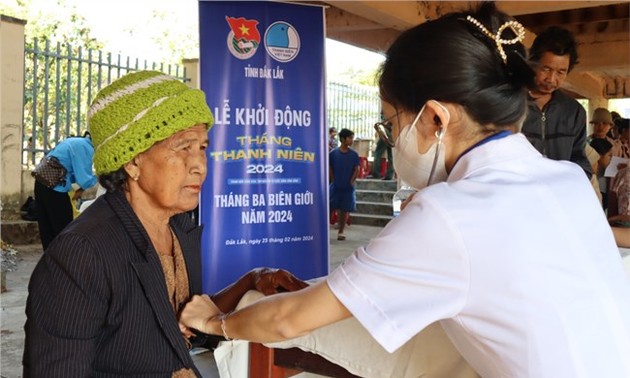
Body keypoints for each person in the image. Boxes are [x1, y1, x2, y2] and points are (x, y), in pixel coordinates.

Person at [180, 3, 630, 377]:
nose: (393, 138)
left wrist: (215, 322)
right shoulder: (568, 181)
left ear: (435, 119)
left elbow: (287, 318)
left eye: (392, 122)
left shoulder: (448, 212)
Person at [23, 70, 306, 377]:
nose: (199, 165)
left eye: (202, 147)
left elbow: (185, 325)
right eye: (183, 147)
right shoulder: (81, 254)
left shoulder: (179, 227)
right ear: (132, 161)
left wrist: (251, 280)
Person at [521, 26, 592, 178]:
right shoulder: (511, 104)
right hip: (519, 195)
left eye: (561, 72)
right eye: (545, 69)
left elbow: (579, 159)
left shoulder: (574, 111)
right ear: (532, 63)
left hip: (559, 195)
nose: (551, 79)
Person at [33, 133, 97, 250]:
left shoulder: (75, 141)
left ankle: (50, 262)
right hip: (54, 186)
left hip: (41, 181)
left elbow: (71, 171)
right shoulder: (86, 148)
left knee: (47, 228)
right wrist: (102, 176)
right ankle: (64, 260)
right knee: (64, 227)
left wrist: (79, 190)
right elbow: (84, 179)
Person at [329, 128, 360, 241]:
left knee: (344, 209)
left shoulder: (354, 155)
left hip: (348, 187)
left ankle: (341, 231)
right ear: (343, 139)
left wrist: (351, 181)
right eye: (350, 138)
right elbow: (330, 167)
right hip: (335, 185)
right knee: (330, 206)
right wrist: (332, 179)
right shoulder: (333, 154)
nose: (352, 140)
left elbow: (356, 169)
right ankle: (325, 230)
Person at [368, 113, 395, 180]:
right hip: (393, 131)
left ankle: (376, 173)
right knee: (391, 156)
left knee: (377, 153)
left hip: (386, 131)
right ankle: (389, 175)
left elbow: (385, 120)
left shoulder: (387, 108)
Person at [590, 137, 614, 209]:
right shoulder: (590, 176)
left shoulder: (603, 173)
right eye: (609, 155)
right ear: (599, 155)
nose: (611, 158)